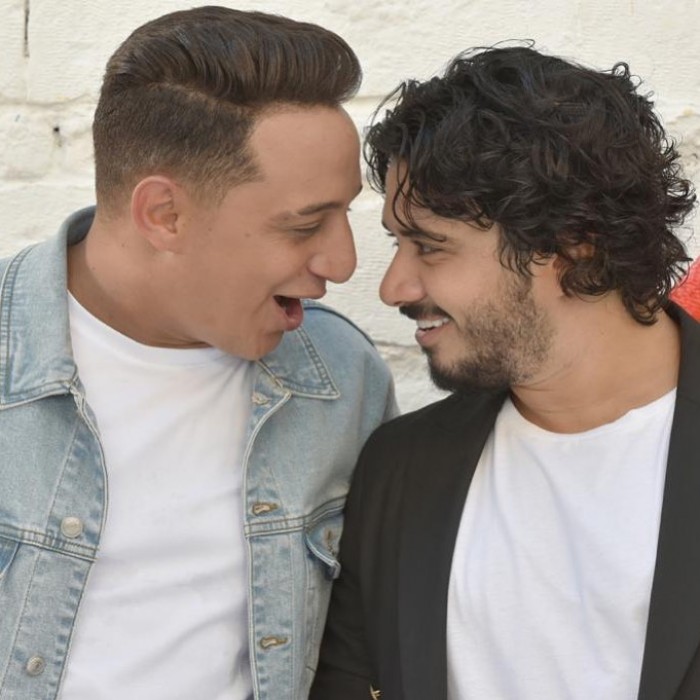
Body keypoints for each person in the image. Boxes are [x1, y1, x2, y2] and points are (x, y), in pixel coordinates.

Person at [0, 7, 397, 700]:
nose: (342, 262)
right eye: (305, 225)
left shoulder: (341, 375)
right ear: (164, 214)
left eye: (344, 215)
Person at [311, 45, 700, 700]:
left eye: (430, 246)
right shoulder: (401, 470)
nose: (393, 287)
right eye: (398, 244)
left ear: (573, 243)